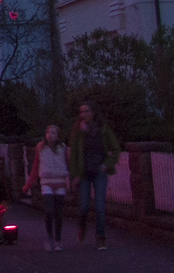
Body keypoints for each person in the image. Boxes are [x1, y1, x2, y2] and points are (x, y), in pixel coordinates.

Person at [70, 101, 121, 250]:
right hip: (84, 172)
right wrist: (75, 175)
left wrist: (107, 164)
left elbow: (116, 149)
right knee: (84, 206)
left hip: (99, 171)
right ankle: (82, 226)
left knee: (100, 206)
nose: (83, 115)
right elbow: (73, 156)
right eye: (81, 112)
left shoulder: (103, 130)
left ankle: (101, 237)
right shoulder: (77, 132)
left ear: (93, 113)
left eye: (86, 111)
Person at [24, 125, 71, 251]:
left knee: (59, 212)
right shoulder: (41, 148)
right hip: (46, 182)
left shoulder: (63, 148)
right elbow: (35, 168)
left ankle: (58, 240)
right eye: (48, 132)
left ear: (58, 135)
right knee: (49, 210)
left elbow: (68, 165)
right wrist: (28, 184)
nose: (50, 135)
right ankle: (50, 237)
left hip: (60, 181)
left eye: (54, 133)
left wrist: (70, 181)